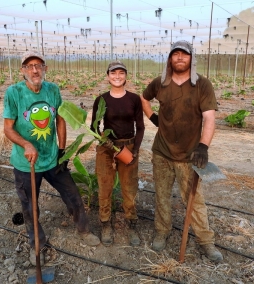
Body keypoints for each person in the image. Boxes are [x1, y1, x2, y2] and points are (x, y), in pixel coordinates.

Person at [3, 50, 100, 266]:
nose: (35, 70)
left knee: (73, 195)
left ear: (45, 69)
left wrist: (62, 151)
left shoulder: (53, 90)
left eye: (39, 65)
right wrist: (27, 144)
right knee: (29, 206)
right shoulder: (14, 93)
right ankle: (36, 243)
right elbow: (8, 129)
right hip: (25, 163)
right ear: (23, 71)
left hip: (51, 158)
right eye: (30, 66)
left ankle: (83, 230)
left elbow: (61, 120)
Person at [141, 40, 223, 262]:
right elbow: (144, 98)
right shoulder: (160, 83)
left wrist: (203, 146)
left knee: (194, 200)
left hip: (189, 155)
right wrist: (153, 118)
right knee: (162, 196)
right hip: (162, 152)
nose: (179, 58)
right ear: (169, 59)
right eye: (175, 54)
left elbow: (209, 118)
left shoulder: (202, 85)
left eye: (184, 55)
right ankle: (162, 231)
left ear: (191, 59)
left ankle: (206, 241)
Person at [91, 61, 145, 247]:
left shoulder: (134, 99)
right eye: (114, 73)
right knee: (104, 186)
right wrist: (102, 139)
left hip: (128, 146)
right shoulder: (101, 100)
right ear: (108, 76)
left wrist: (135, 149)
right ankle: (105, 223)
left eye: (121, 73)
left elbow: (141, 126)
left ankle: (131, 223)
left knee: (129, 188)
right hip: (107, 148)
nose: (117, 76)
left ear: (125, 76)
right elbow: (94, 126)